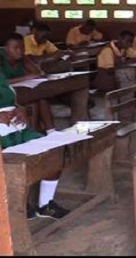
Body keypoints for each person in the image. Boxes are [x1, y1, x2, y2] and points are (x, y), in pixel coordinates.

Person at [0, 71, 70, 220]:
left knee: (52, 152)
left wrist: (20, 109)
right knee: (14, 164)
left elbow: (10, 100)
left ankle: (45, 205)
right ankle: (17, 205)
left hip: (17, 128)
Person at [0, 33, 55, 133]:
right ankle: (34, 131)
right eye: (15, 48)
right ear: (6, 48)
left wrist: (31, 75)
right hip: (5, 95)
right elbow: (2, 82)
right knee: (33, 100)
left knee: (40, 98)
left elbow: (37, 72)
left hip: (21, 89)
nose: (20, 50)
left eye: (22, 47)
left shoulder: (22, 57)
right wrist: (25, 77)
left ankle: (51, 131)